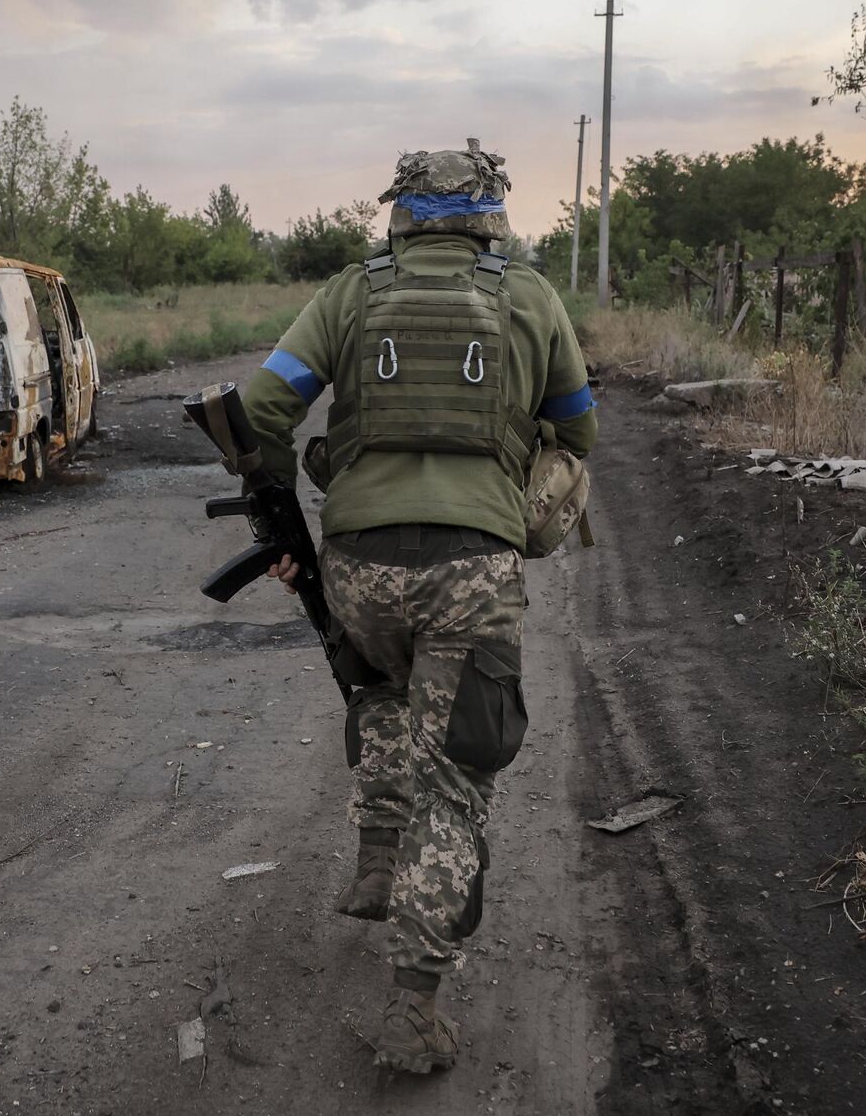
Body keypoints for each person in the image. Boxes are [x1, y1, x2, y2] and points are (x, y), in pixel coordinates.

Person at [239, 140, 597, 1074]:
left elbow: (260, 405)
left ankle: (375, 864)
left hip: (360, 564)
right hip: (473, 568)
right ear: (493, 212)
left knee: (384, 692)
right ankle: (413, 1009)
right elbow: (582, 426)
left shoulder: (351, 293)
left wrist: (283, 508)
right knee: (459, 780)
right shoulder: (530, 296)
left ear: (399, 210)